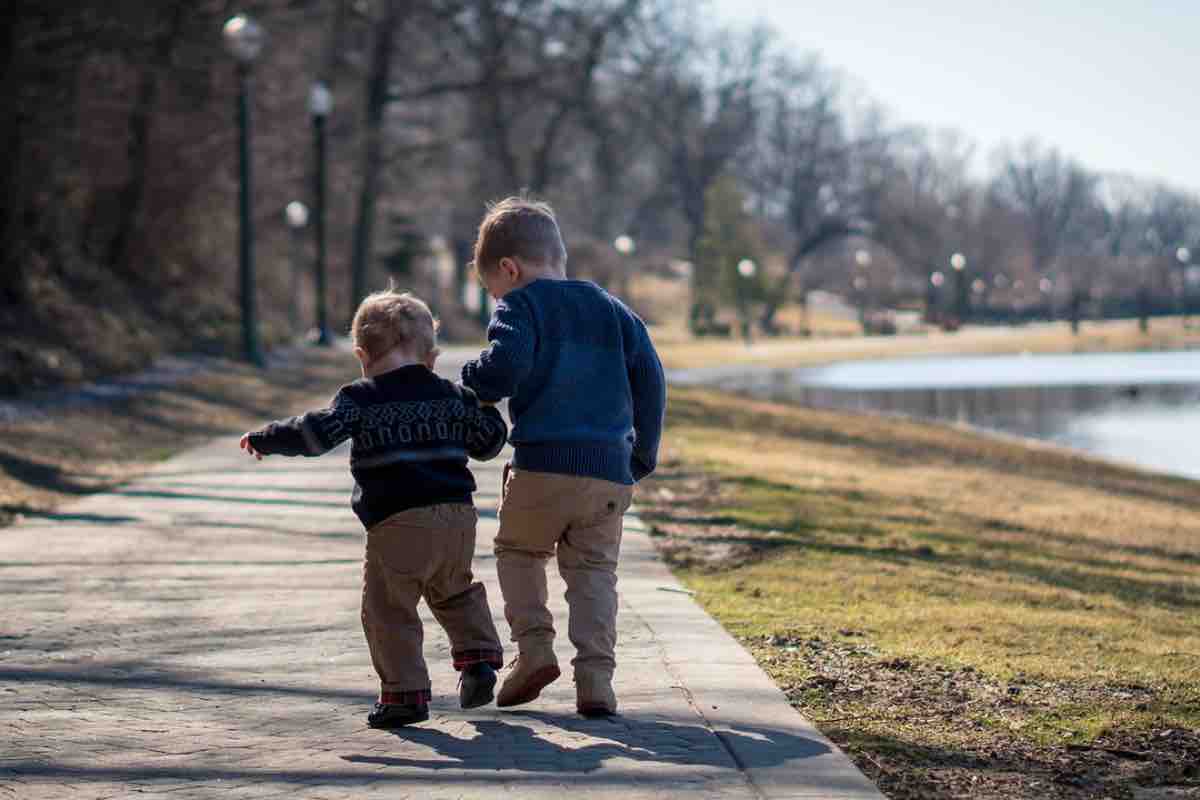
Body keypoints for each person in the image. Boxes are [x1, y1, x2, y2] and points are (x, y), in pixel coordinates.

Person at [240, 289, 507, 728]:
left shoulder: (360, 399)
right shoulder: (451, 395)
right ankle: (478, 660)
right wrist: (488, 409)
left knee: (389, 608)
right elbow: (488, 443)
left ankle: (404, 694)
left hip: (398, 521)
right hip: (457, 518)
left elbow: (315, 434)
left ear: (362, 354)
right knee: (455, 590)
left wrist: (268, 438)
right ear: (432, 356)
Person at [461, 197, 666, 716]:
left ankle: (533, 650)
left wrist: (471, 379)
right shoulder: (614, 309)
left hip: (543, 465)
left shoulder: (520, 305)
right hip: (608, 472)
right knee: (595, 571)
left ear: (510, 269)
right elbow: (652, 380)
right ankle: (596, 681)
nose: (496, 298)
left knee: (520, 552)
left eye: (492, 290)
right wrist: (642, 454)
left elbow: (504, 369)